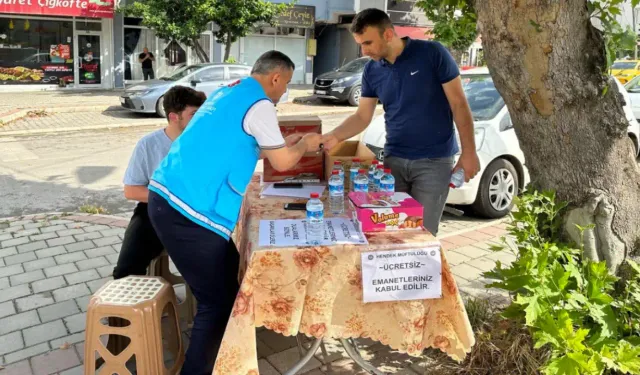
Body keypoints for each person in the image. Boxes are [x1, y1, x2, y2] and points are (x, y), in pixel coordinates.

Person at [147, 50, 322, 375]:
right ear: (276, 78)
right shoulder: (261, 104)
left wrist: (287, 144)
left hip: (170, 198)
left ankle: (231, 354)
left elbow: (235, 144)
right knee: (218, 303)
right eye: (285, 85)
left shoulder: (231, 91)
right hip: (186, 211)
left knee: (232, 280)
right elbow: (282, 162)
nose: (284, 93)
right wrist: (305, 145)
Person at [321, 8, 481, 236]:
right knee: (389, 230)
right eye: (360, 45)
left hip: (433, 162)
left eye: (368, 43)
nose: (364, 51)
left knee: (421, 234)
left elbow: (459, 104)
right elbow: (361, 116)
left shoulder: (432, 53)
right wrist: (334, 137)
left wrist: (469, 153)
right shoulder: (372, 70)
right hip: (393, 161)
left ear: (388, 34)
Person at [112, 86, 206, 280]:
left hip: (197, 213)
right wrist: (171, 199)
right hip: (154, 210)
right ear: (173, 117)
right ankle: (135, 307)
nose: (200, 119)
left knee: (215, 268)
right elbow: (131, 191)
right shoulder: (149, 145)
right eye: (193, 114)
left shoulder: (205, 141)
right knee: (125, 272)